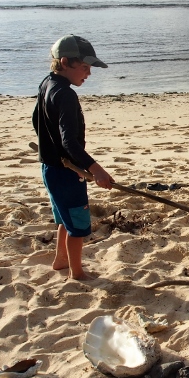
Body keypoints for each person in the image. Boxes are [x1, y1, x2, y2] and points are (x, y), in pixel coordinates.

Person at [32, 34, 115, 281]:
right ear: (66, 62)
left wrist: (49, 148)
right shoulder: (66, 95)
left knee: (64, 218)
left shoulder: (47, 83)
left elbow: (36, 120)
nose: (88, 74)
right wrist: (96, 169)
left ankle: (60, 260)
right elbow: (69, 142)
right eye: (85, 67)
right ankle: (77, 273)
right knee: (77, 225)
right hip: (66, 172)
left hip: (51, 168)